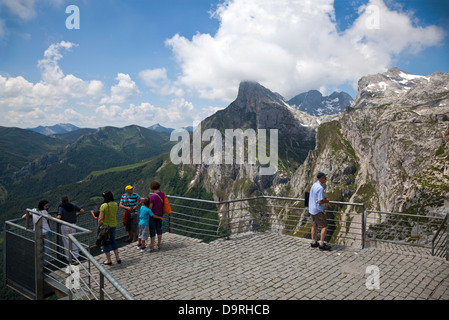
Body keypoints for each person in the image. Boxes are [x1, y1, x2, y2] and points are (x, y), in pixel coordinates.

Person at [22, 200, 53, 266]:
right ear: (42, 206)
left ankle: (39, 264)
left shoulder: (34, 210)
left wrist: (31, 216)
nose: (47, 207)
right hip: (46, 231)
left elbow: (24, 217)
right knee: (47, 248)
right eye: (46, 206)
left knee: (39, 248)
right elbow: (47, 219)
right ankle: (46, 264)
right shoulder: (45, 212)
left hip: (37, 232)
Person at [56, 196, 84, 261]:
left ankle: (69, 258)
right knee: (74, 241)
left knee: (66, 242)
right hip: (73, 225)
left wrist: (52, 219)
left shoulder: (61, 207)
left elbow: (59, 216)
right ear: (68, 200)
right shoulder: (73, 205)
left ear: (61, 201)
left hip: (65, 226)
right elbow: (82, 211)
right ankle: (76, 255)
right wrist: (77, 214)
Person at [308, 172, 331, 251]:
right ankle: (321, 244)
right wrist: (326, 201)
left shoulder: (314, 185)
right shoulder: (320, 188)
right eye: (324, 177)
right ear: (321, 178)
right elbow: (320, 201)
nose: (325, 179)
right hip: (318, 210)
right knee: (325, 226)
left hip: (312, 209)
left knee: (314, 225)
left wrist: (323, 199)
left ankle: (313, 242)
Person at [98, 191, 121, 265]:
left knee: (105, 243)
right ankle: (118, 258)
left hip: (105, 227)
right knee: (113, 241)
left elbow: (100, 218)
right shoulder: (115, 204)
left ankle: (109, 260)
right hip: (113, 225)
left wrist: (98, 226)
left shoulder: (103, 206)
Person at [148, 181, 167, 251]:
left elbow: (150, 208)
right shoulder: (162, 194)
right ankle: (159, 244)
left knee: (152, 229)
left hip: (153, 215)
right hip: (160, 214)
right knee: (159, 228)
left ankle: (152, 245)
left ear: (152, 188)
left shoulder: (152, 197)